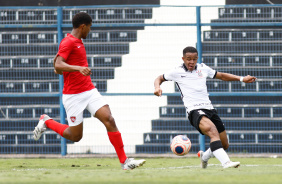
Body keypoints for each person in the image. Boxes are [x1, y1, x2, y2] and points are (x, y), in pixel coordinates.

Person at [33, 12, 146, 170]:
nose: (90, 31)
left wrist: (70, 68)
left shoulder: (77, 41)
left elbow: (58, 69)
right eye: (89, 27)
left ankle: (125, 162)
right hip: (73, 96)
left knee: (109, 119)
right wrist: (78, 68)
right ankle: (47, 122)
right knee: (75, 136)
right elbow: (58, 65)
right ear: (83, 26)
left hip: (89, 91)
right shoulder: (68, 42)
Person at [154, 46, 257, 169]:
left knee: (224, 144)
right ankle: (226, 163)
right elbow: (159, 78)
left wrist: (241, 79)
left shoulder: (203, 68)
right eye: (188, 59)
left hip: (209, 109)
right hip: (194, 110)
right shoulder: (176, 72)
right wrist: (157, 87)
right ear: (183, 59)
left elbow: (222, 75)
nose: (191, 62)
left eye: (194, 59)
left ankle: (204, 157)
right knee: (212, 131)